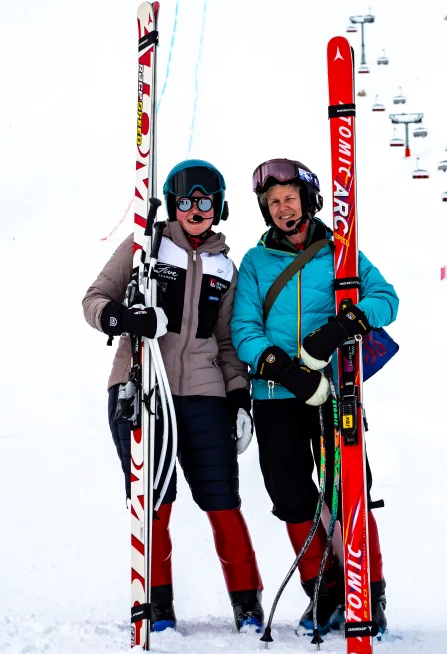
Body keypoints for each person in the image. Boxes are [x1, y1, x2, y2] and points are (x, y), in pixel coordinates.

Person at [82, 159, 263, 633]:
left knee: (223, 498)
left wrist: (240, 397)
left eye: (205, 202)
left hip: (205, 394)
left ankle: (247, 603)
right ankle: (156, 605)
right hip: (142, 385)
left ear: (219, 206)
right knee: (153, 499)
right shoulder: (146, 246)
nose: (195, 210)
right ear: (174, 206)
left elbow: (225, 342)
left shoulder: (227, 266)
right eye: (185, 201)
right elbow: (95, 299)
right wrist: (127, 319)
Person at [230, 158, 399, 636]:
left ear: (308, 200)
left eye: (290, 199)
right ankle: (323, 594)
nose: (284, 209)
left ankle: (369, 592)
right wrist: (283, 369)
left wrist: (341, 328)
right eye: (274, 203)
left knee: (347, 491)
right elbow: (244, 328)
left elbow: (386, 299)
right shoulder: (256, 262)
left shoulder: (340, 253)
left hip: (335, 392)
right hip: (276, 395)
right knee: (291, 494)